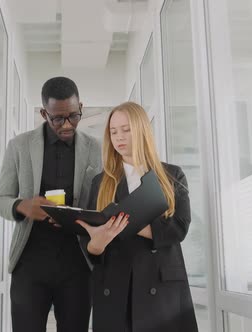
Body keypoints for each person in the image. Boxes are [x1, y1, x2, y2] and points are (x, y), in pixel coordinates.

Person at [76, 102, 198, 332]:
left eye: (126, 129)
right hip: (115, 288)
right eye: (113, 132)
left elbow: (179, 227)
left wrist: (125, 223)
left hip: (162, 289)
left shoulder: (172, 175)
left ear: (141, 129)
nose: (119, 137)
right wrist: (97, 243)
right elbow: (88, 242)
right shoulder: (100, 182)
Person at [0, 76, 102, 332]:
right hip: (30, 265)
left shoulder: (95, 148)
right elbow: (1, 200)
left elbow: (100, 201)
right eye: (58, 118)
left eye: (74, 116)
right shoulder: (19, 146)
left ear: (81, 108)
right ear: (44, 113)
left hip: (77, 265)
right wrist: (23, 206)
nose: (67, 125)